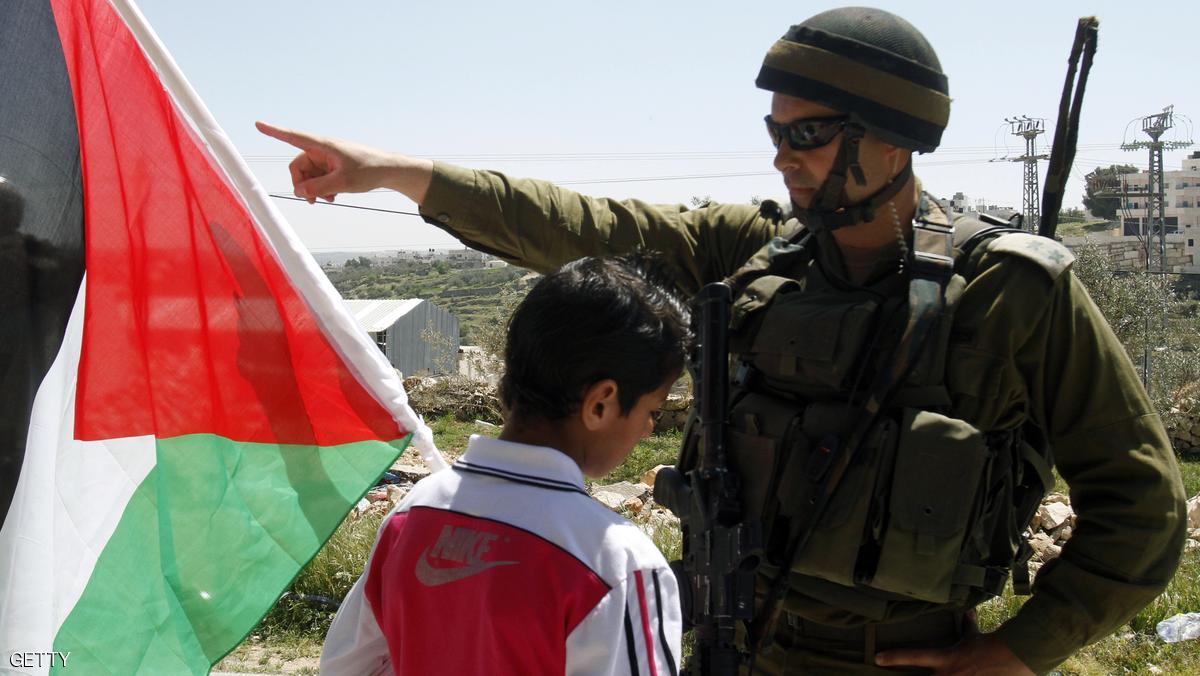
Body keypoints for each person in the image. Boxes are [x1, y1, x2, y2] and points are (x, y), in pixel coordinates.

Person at [260, 7, 1187, 674]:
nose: (784, 155)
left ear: (894, 140)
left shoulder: (1015, 291)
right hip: (731, 644)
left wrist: (1018, 652)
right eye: (777, 132)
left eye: (810, 136)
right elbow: (583, 223)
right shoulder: (753, 253)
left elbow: (1142, 510)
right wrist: (394, 173)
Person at [320, 254, 688, 675]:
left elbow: (347, 666)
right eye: (651, 409)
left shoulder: (413, 513)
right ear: (601, 403)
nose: (647, 429)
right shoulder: (618, 564)